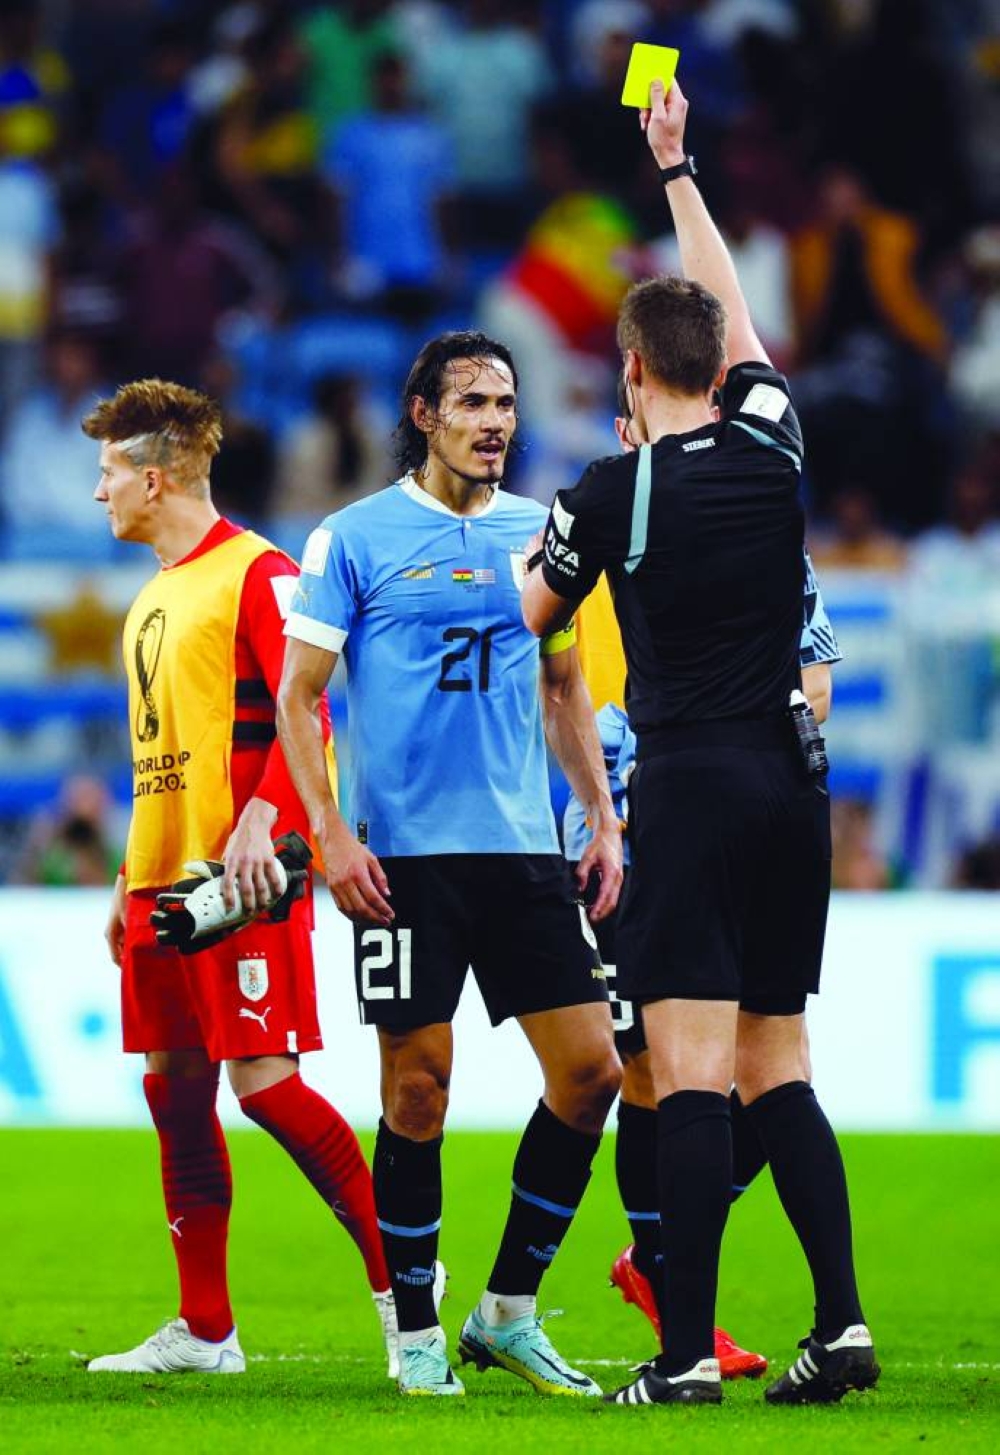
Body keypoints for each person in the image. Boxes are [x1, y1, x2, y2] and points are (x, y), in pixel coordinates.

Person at [522, 79, 878, 1408]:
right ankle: (839, 1324)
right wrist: (678, 174)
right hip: (795, 785)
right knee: (781, 1060)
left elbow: (532, 621)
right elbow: (732, 322)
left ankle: (679, 1355)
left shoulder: (612, 491)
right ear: (723, 367)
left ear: (628, 373)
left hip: (684, 781)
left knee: (685, 1076)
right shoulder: (774, 442)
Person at [276, 330, 623, 1398]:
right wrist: (332, 832)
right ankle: (417, 1333)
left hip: (521, 853)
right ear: (422, 414)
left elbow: (565, 688)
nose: (495, 422)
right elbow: (299, 697)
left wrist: (601, 817)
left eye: (506, 403)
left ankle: (507, 1310)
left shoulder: (541, 532)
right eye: (471, 401)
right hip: (405, 864)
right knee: (417, 1094)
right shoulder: (355, 538)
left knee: (590, 1076)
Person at [81, 379, 397, 1376]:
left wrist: (264, 820)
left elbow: (308, 715)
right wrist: (124, 886)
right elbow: (156, 758)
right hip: (161, 892)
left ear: (156, 477)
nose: (100, 495)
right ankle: (207, 1332)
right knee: (174, 1093)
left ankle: (408, 1309)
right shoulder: (149, 602)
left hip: (238, 883)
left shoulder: (259, 574)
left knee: (265, 1089)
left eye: (109, 474)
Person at [566, 387, 842, 1378]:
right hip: (610, 832)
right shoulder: (709, 500)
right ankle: (683, 1292)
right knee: (655, 1069)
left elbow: (813, 669)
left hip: (682, 807)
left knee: (700, 1074)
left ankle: (663, 1287)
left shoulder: (602, 512)